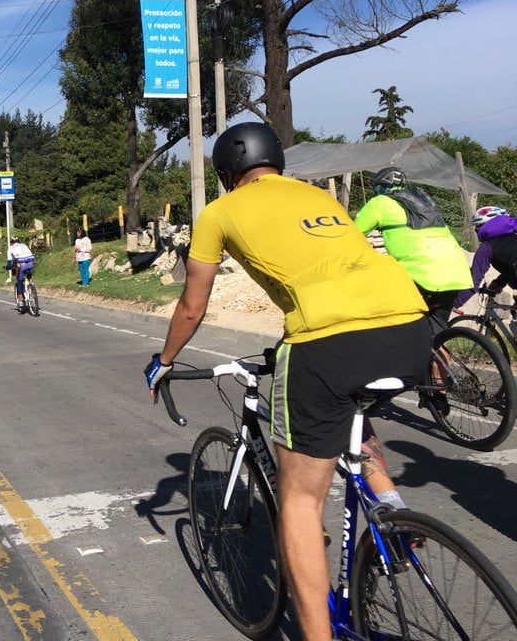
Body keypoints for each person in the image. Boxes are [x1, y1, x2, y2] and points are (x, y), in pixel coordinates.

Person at [143, 122, 430, 641]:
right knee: (352, 415)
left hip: (326, 341)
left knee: (299, 500)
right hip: (409, 324)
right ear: (277, 161)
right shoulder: (316, 195)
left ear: (228, 174)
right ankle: (394, 517)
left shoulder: (219, 212)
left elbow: (192, 303)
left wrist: (164, 359)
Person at [353, 166, 472, 326]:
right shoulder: (423, 200)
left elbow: (352, 234)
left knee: (391, 319)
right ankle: (437, 349)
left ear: (379, 187)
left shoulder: (379, 202)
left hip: (422, 275)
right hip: (456, 270)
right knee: (436, 332)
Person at [453, 206, 517, 309]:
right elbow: (511, 265)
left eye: (477, 226)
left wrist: (455, 304)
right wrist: (499, 283)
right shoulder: (513, 238)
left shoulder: (486, 248)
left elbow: (473, 281)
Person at [6, 237, 36, 310]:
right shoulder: (24, 245)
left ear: (11, 242)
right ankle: (31, 284)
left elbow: (9, 262)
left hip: (21, 263)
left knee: (19, 280)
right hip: (31, 261)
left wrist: (8, 267)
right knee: (28, 271)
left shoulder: (10, 248)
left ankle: (20, 301)